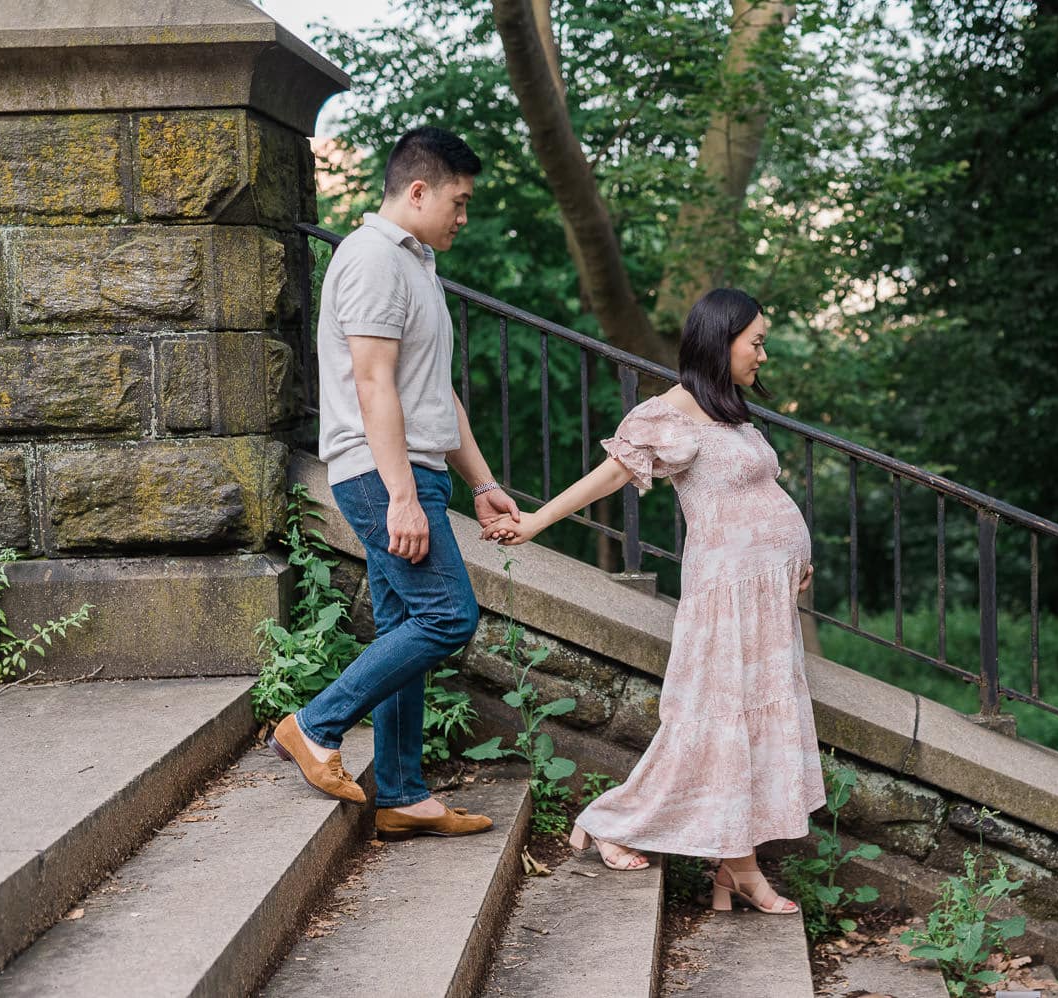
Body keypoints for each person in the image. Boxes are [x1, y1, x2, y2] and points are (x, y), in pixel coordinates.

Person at [483, 288, 825, 914]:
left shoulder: (728, 412)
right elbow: (610, 475)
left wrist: (793, 559)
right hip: (725, 601)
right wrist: (535, 522)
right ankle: (612, 822)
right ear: (721, 340)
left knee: (745, 725)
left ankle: (736, 868)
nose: (763, 354)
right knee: (712, 722)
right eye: (756, 342)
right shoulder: (670, 414)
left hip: (765, 601)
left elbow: (757, 502)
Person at [269, 126, 522, 841]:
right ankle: (314, 726)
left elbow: (430, 390)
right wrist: (403, 495)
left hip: (416, 470)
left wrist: (481, 482)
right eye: (460, 202)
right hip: (384, 474)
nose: (464, 218)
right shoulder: (374, 258)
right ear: (418, 191)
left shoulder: (417, 265)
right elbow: (374, 384)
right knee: (448, 616)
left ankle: (404, 792)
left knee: (408, 623)